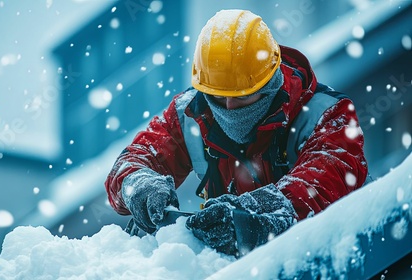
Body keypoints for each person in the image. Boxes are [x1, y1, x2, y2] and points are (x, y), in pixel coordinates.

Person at [104, 9, 368, 256]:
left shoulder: (328, 115)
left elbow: (323, 184)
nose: (228, 108)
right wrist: (137, 184)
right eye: (218, 97)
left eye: (241, 97)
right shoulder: (191, 113)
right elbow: (133, 160)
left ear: (270, 85)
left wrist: (252, 214)